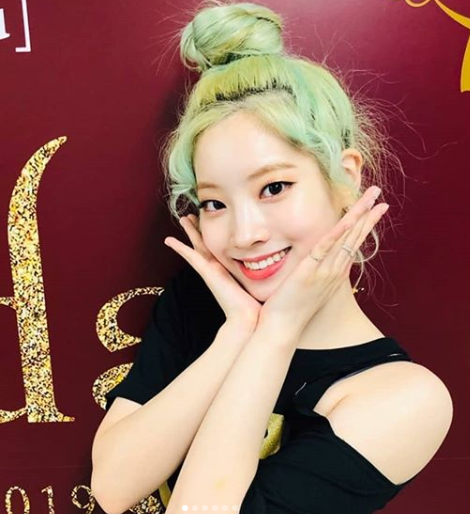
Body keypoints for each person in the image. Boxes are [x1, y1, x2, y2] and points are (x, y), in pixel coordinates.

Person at [90, 1, 454, 513]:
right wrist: (238, 332)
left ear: (346, 176)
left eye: (274, 188)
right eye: (214, 203)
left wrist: (276, 331)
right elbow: (112, 488)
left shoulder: (404, 399)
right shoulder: (202, 299)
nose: (244, 234)